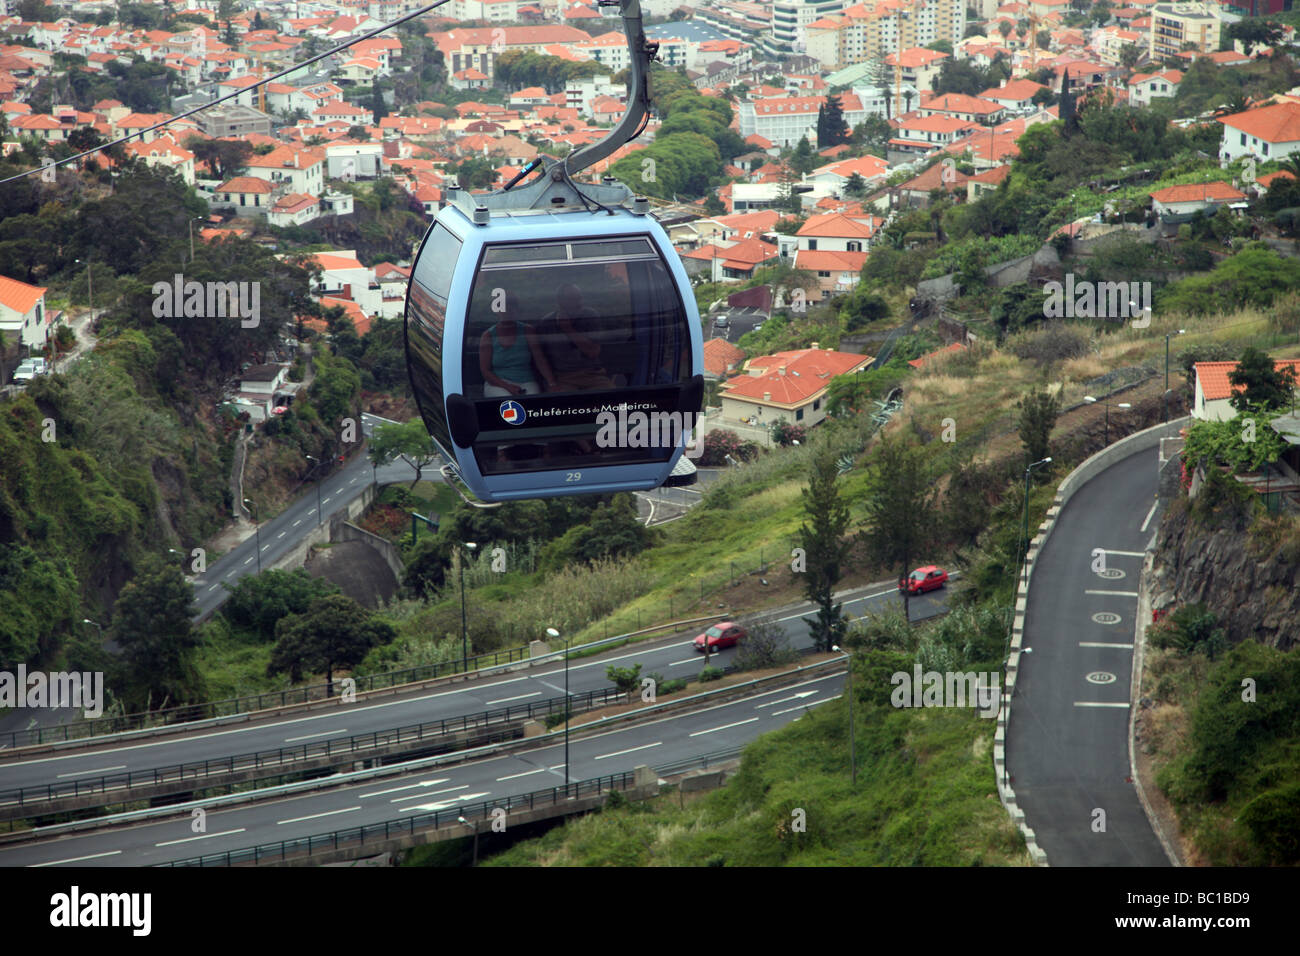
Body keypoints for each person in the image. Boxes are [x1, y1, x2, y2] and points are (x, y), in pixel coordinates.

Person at [478, 292, 556, 398]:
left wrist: (552, 383)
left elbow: (540, 360)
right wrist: (508, 387)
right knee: (507, 405)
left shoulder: (528, 331)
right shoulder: (488, 336)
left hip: (527, 382)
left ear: (517, 309)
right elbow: (485, 371)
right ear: (497, 310)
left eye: (511, 307)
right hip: (498, 384)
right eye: (504, 307)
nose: (508, 311)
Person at [539, 283, 613, 391]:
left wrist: (568, 329)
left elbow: (593, 352)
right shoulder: (547, 322)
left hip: (593, 375)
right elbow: (541, 358)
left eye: (579, 298)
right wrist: (551, 383)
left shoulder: (590, 315)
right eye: (572, 299)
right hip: (563, 377)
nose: (579, 302)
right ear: (560, 301)